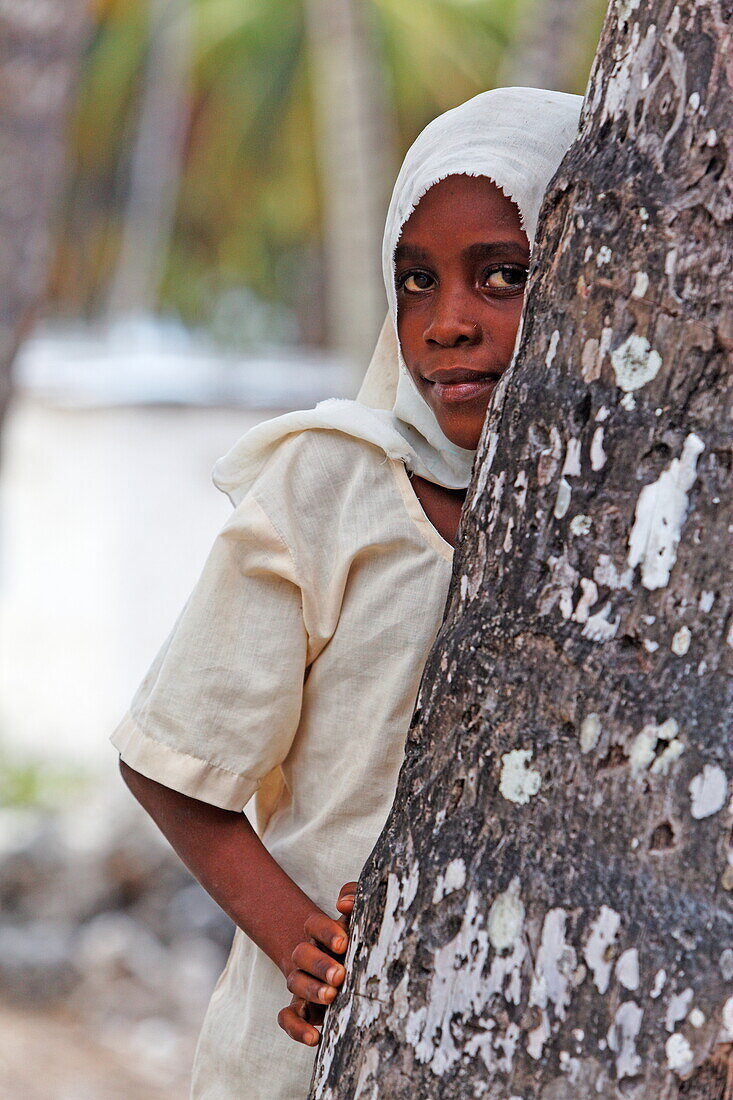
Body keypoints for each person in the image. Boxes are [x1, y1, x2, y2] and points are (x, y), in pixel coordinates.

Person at [112, 87, 582, 1099]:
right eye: (414, 281)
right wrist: (299, 940)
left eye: (503, 274)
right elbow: (170, 756)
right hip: (308, 1048)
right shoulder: (330, 482)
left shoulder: (615, 523)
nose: (448, 322)